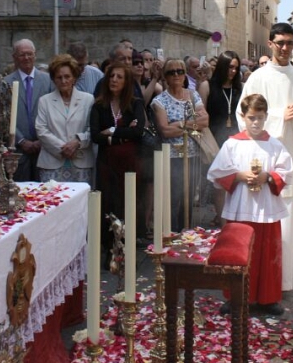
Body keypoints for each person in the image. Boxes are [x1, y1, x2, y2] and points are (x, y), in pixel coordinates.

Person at [237, 23, 293, 292]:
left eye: (289, 43)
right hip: (261, 159)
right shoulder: (257, 78)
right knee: (258, 225)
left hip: (290, 159)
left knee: (285, 229)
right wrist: (278, 117)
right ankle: (252, 283)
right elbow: (245, 116)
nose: (285, 48)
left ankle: (279, 287)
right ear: (270, 43)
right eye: (280, 43)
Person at [208, 94, 292, 317]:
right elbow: (216, 173)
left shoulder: (274, 145)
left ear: (266, 118)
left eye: (260, 118)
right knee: (239, 251)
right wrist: (238, 176)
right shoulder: (232, 144)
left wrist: (268, 176)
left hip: (266, 208)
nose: (256, 123)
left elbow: (287, 172)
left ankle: (267, 299)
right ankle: (235, 296)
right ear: (243, 117)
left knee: (267, 253)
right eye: (251, 118)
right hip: (241, 207)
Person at [90, 62, 145, 256]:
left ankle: (126, 243)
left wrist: (113, 132)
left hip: (129, 163)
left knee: (128, 200)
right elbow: (96, 136)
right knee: (108, 201)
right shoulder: (99, 105)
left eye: (119, 77)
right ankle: (109, 246)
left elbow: (138, 132)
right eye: (111, 76)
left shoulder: (135, 103)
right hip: (107, 162)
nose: (114, 80)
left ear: (127, 81)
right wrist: (125, 132)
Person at [151, 58, 209, 232]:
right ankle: (171, 235)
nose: (176, 75)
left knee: (189, 198)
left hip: (192, 155)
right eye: (171, 72)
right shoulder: (160, 101)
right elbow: (165, 131)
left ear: (185, 74)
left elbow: (205, 120)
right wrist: (191, 123)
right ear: (165, 77)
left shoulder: (192, 95)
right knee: (172, 199)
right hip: (171, 158)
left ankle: (186, 235)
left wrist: (177, 124)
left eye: (180, 71)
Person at [198, 50, 243, 226]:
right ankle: (222, 219)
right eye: (230, 67)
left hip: (236, 137)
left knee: (236, 180)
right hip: (214, 137)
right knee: (220, 182)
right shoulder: (207, 86)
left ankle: (231, 215)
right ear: (223, 66)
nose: (233, 71)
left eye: (236, 68)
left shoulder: (241, 87)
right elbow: (200, 115)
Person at [35, 54, 95, 183]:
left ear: (74, 77)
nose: (63, 81)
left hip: (81, 161)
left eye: (67, 76)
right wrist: (63, 148)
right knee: (52, 202)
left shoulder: (88, 99)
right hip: (52, 163)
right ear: (54, 79)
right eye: (59, 77)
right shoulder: (44, 101)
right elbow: (41, 129)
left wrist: (77, 142)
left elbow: (93, 128)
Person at [2, 39, 53, 181]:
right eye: (22, 54)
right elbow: (4, 116)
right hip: (18, 152)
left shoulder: (48, 81)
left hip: (44, 149)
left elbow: (54, 112)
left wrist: (42, 140)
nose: (26, 58)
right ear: (14, 57)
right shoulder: (5, 83)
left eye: (29, 54)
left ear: (35, 55)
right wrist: (22, 141)